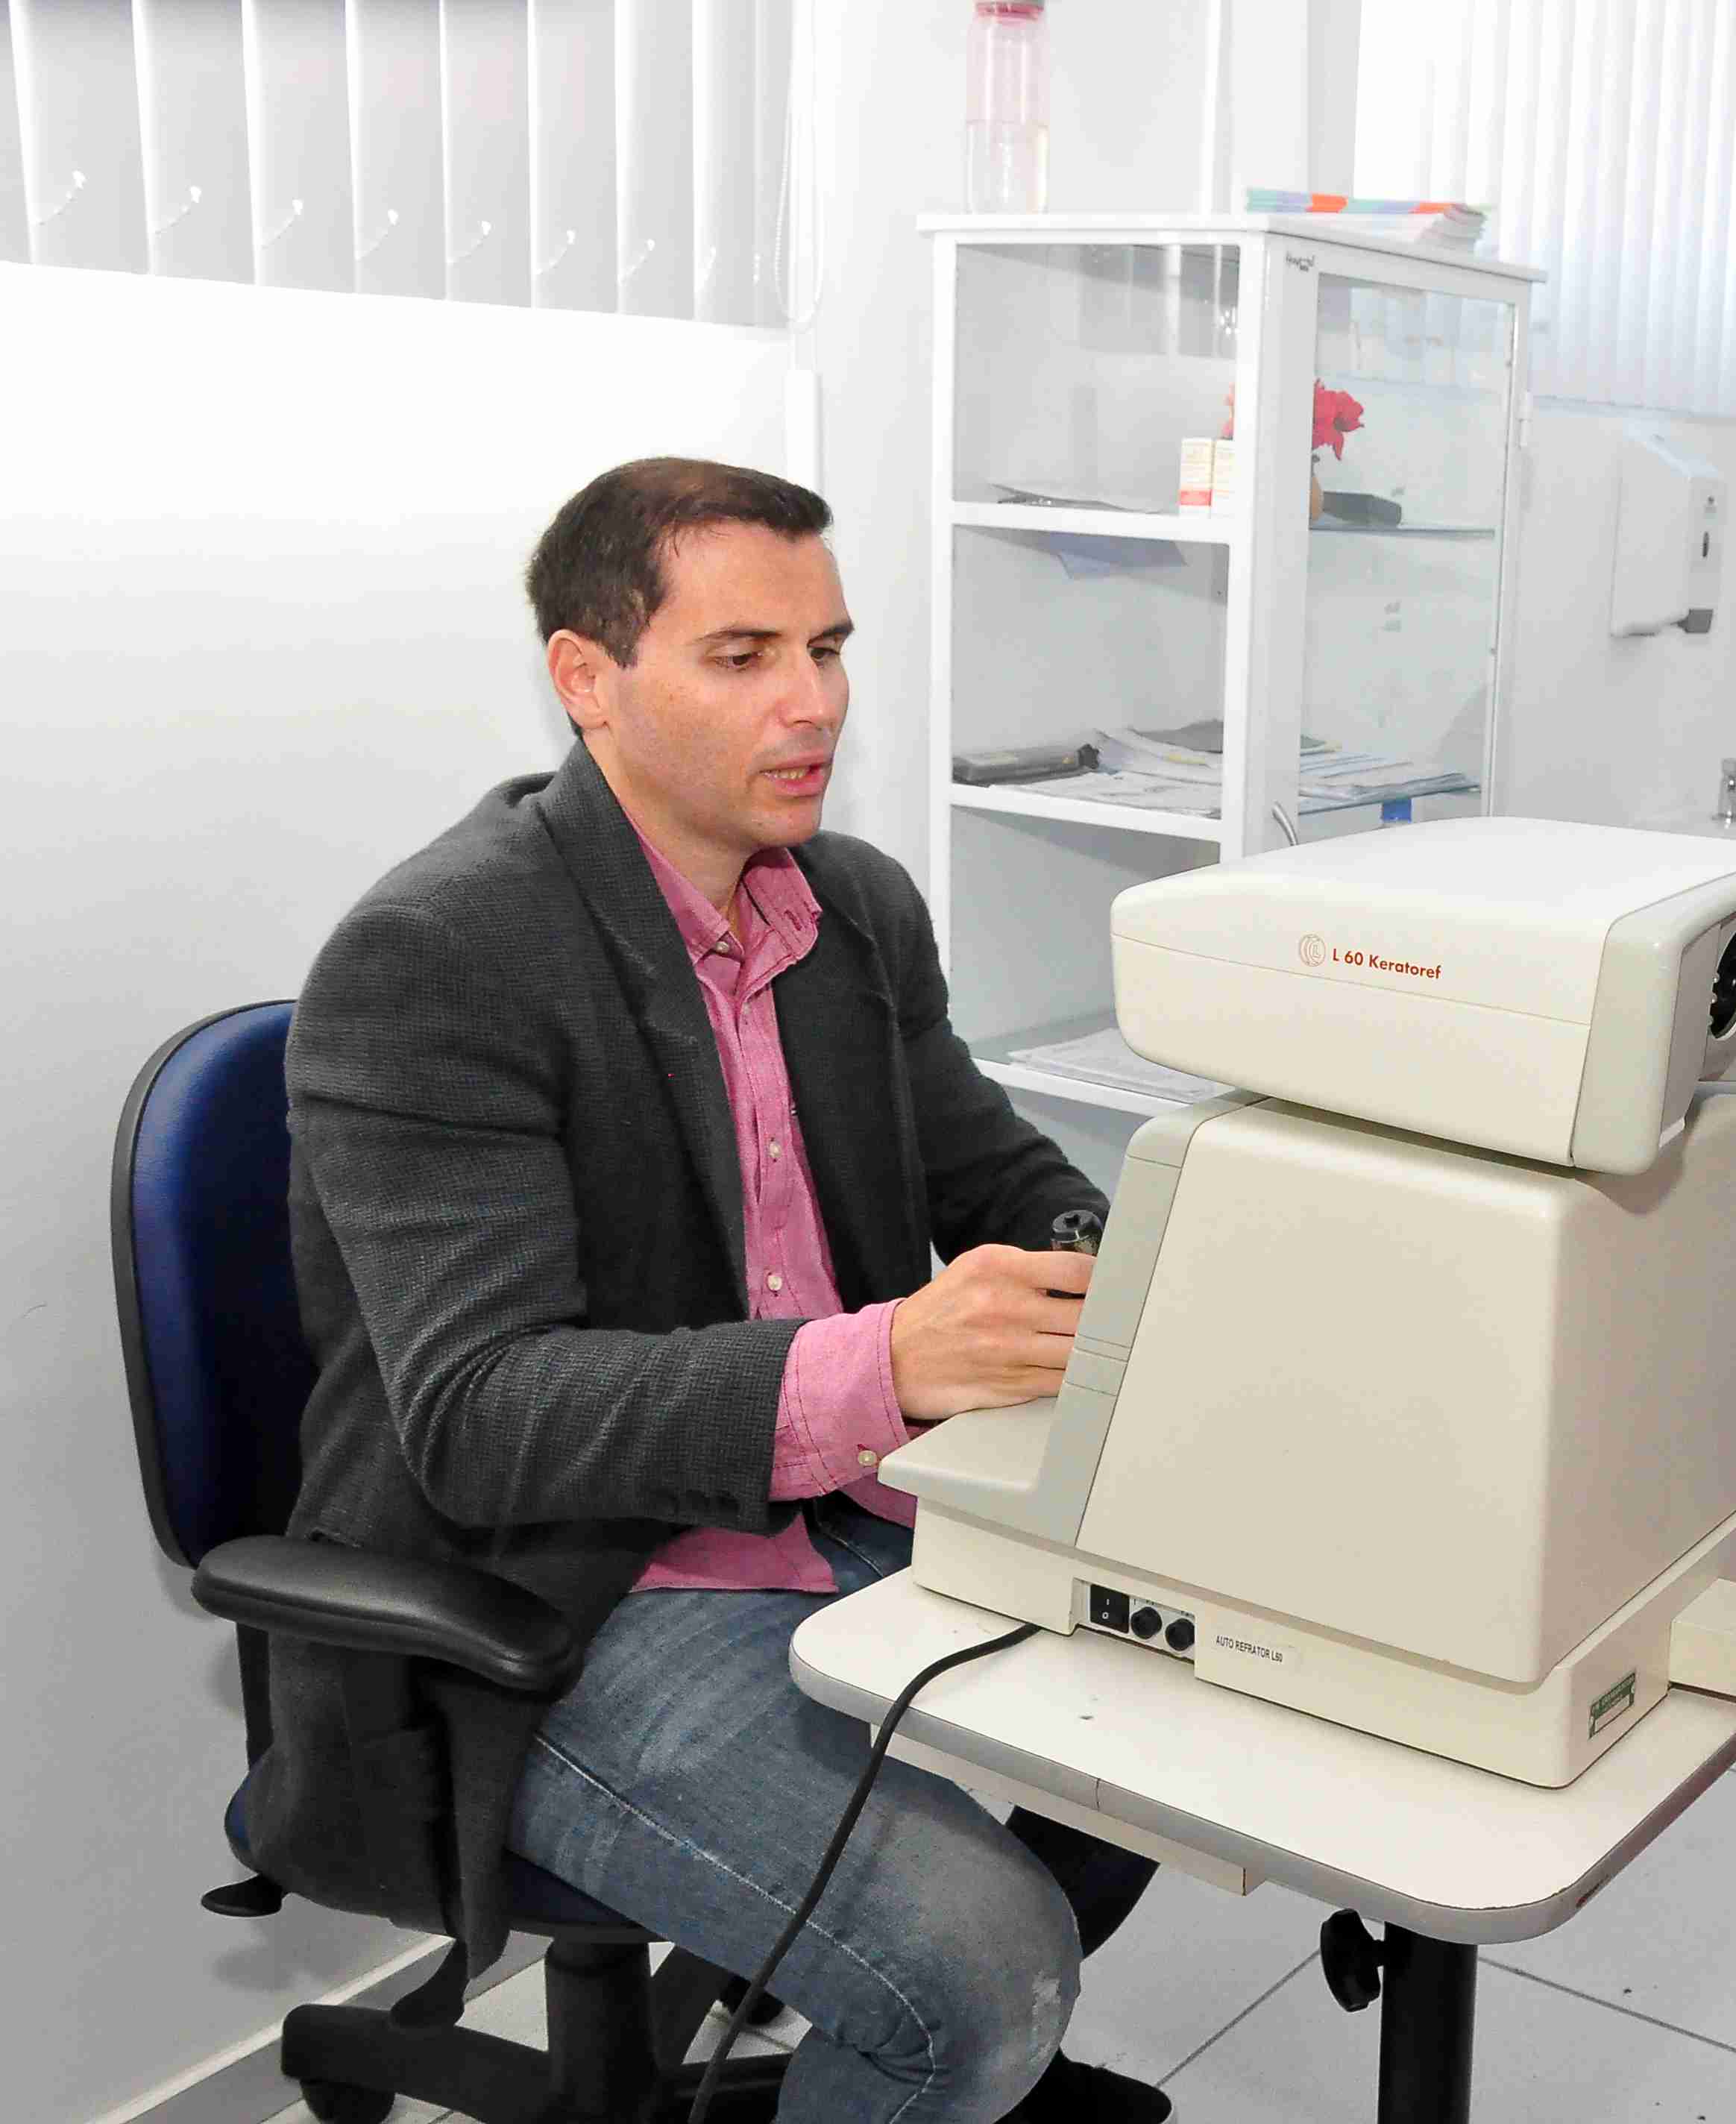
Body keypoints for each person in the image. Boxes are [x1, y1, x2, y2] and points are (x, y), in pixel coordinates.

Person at [253, 459, 1170, 2123]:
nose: (812, 701)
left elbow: (986, 1169)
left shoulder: (853, 906)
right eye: (744, 655)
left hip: (845, 1507)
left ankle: (877, 2044)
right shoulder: (442, 953)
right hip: (571, 1592)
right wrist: (887, 1357)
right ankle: (930, 2041)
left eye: (828, 648)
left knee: (1208, 1704)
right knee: (981, 1971)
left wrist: (1099, 1252)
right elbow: (478, 1417)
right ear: (586, 679)